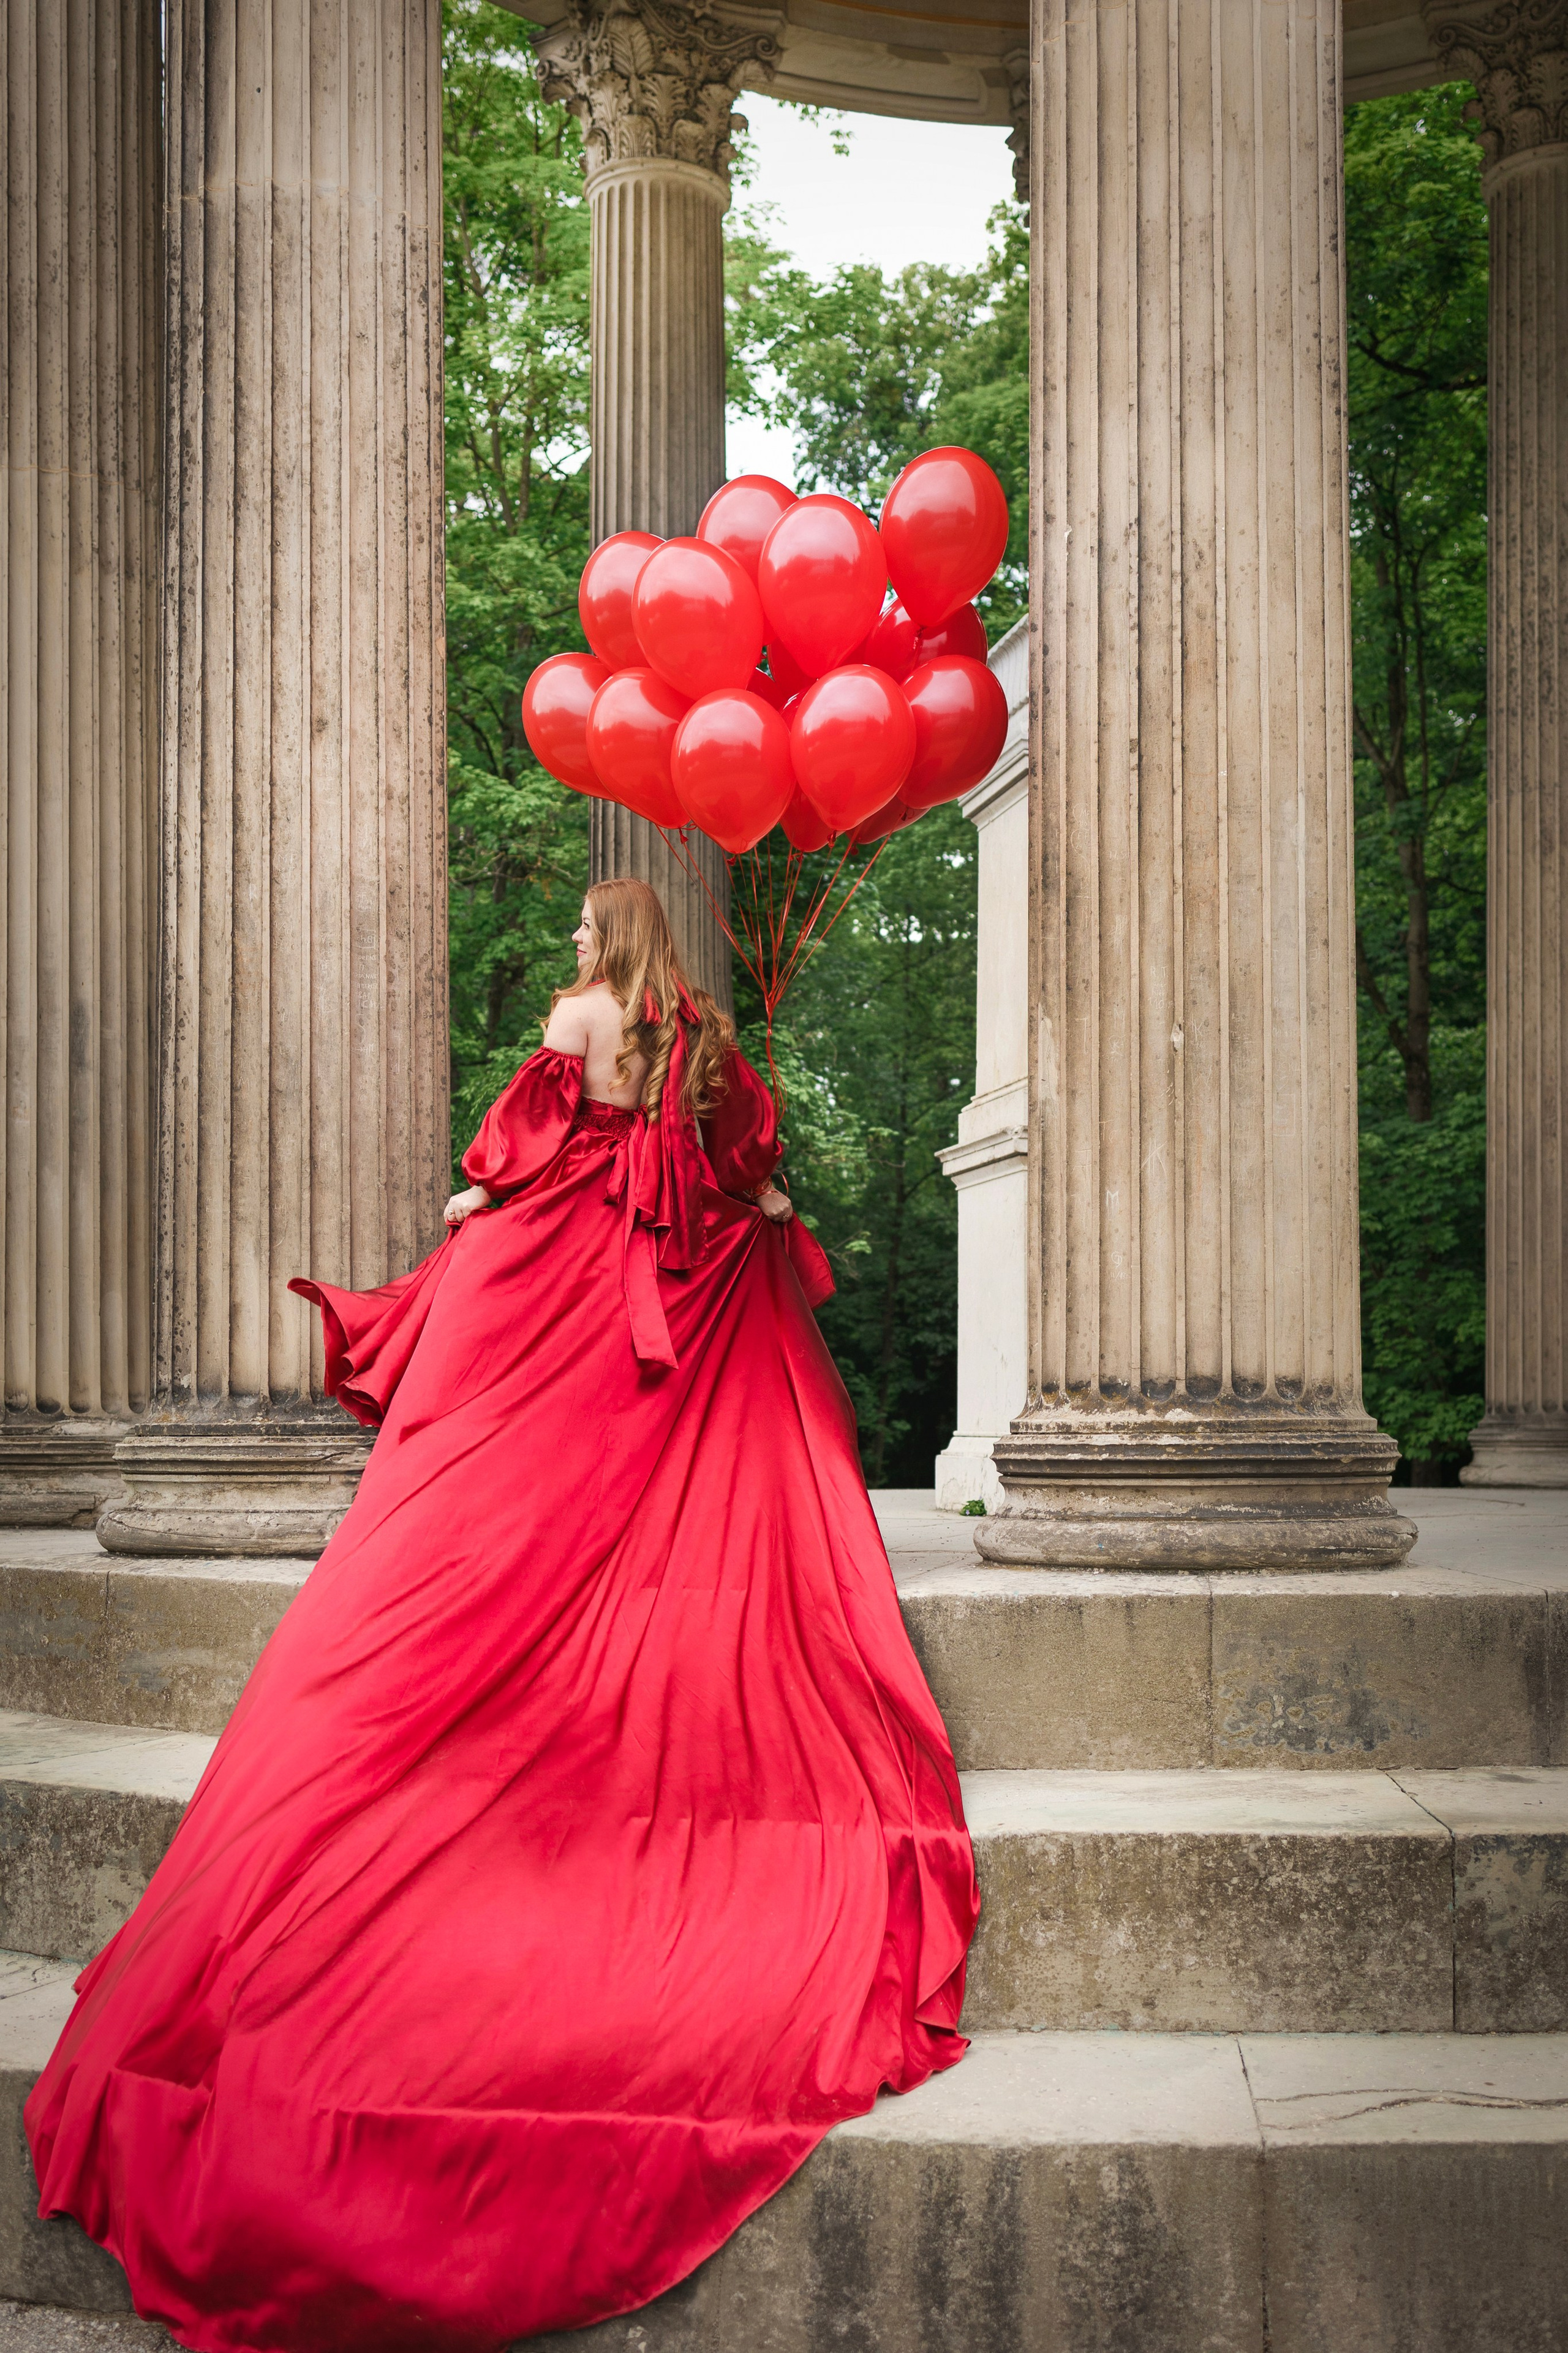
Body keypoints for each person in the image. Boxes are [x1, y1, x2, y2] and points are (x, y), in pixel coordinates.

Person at [25, 878, 979, 2353]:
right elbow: (740, 1158)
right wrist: (764, 1203)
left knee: (511, 1462)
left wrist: (479, 1202)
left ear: (609, 942)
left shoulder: (579, 1018)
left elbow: (519, 1149)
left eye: (587, 929)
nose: (576, 946)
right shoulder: (696, 1038)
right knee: (648, 1469)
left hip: (570, 1272)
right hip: (663, 1268)